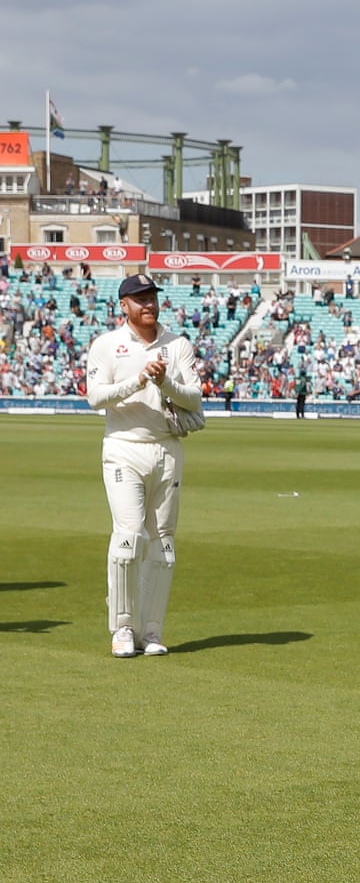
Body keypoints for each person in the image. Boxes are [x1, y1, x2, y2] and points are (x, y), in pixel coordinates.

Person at [85, 273, 202, 658]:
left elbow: (194, 400)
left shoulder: (177, 345)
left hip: (167, 450)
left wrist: (165, 381)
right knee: (128, 537)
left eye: (151, 296)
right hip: (123, 448)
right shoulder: (107, 345)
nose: (148, 304)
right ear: (124, 306)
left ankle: (151, 631)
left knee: (163, 544)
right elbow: (95, 397)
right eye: (139, 298)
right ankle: (122, 628)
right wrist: (137, 382)